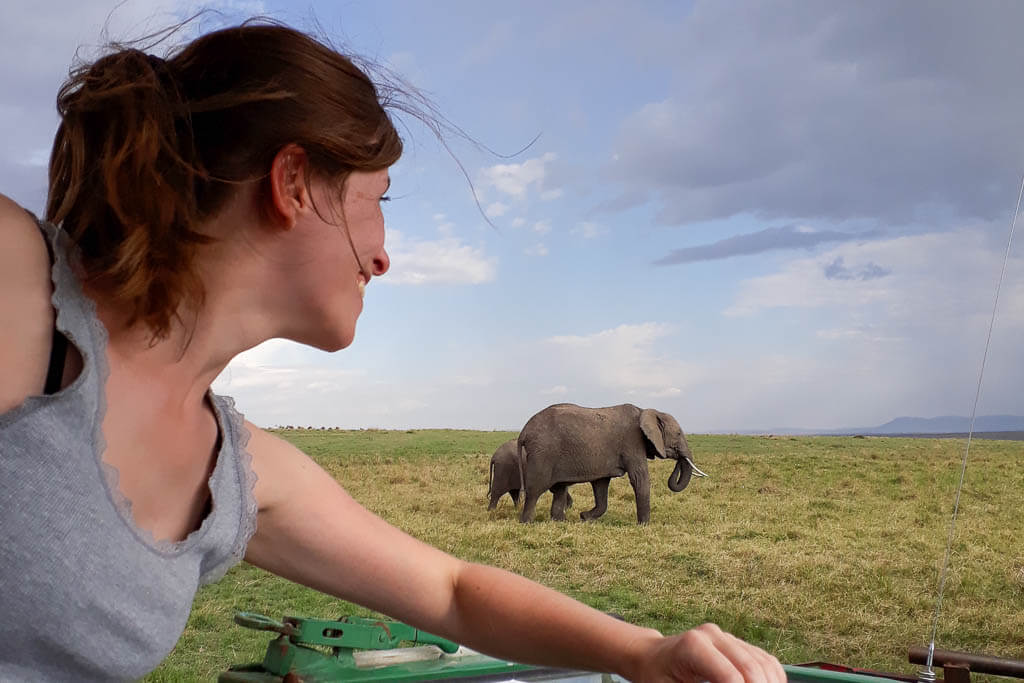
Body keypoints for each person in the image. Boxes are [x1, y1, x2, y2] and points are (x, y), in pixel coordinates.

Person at [0, 21, 786, 682]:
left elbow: (453, 591)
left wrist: (648, 651)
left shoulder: (236, 471)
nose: (383, 256)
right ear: (295, 182)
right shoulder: (19, 287)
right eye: (376, 203)